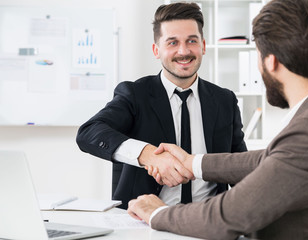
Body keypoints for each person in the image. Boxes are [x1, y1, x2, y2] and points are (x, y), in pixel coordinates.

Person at [127, 0, 308, 239]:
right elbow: (269, 159)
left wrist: (157, 213)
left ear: (272, 61)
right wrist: (193, 163)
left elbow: (224, 218)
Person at [76, 2, 247, 209]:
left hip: (209, 221)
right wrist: (149, 156)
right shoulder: (134, 94)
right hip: (145, 222)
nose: (183, 51)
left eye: (191, 41)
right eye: (172, 43)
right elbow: (88, 133)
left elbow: (239, 167)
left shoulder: (224, 100)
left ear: (202, 46)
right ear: (156, 50)